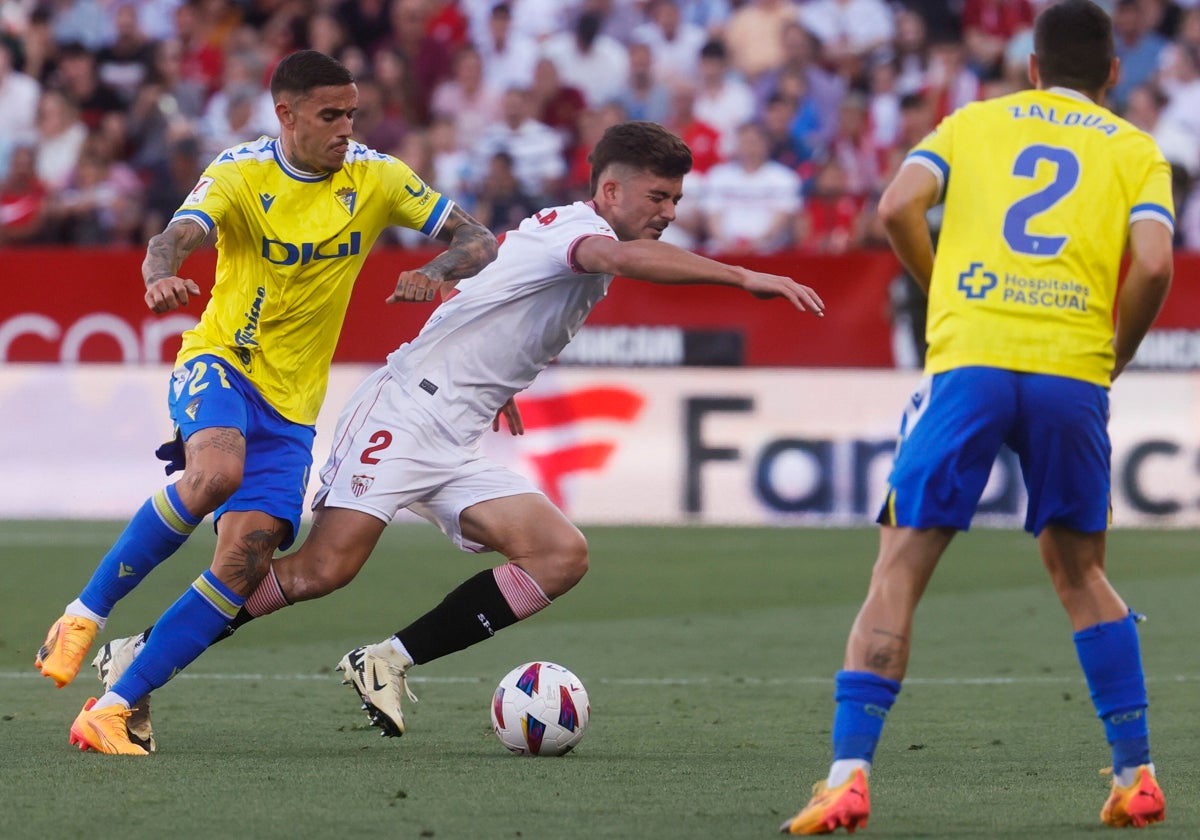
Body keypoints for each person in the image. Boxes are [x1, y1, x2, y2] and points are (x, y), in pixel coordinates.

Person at [73, 120, 825, 755]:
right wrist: (743, 277)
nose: (668, 211)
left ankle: (387, 660)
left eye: (676, 199)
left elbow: (498, 308)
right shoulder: (584, 231)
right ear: (610, 192)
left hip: (456, 429)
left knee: (560, 555)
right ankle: (141, 652)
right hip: (404, 415)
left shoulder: (577, 241)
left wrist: (503, 390)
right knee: (319, 571)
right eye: (658, 197)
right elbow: (621, 257)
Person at [779, 1, 1174, 833]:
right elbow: (1152, 262)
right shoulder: (1136, 150)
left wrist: (942, 289)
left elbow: (892, 207)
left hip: (971, 363)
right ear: (1111, 74)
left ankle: (848, 776)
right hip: (1072, 370)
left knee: (900, 567)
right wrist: (1117, 350)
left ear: (1030, 67)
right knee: (1081, 575)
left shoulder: (973, 122)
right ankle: (1135, 774)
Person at [37, 49, 498, 753]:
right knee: (215, 473)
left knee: (244, 560)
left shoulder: (376, 177)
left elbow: (477, 238)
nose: (346, 127)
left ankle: (114, 705)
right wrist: (161, 274)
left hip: (292, 410)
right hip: (221, 362)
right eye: (330, 114)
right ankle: (82, 615)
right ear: (286, 115)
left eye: (352, 112)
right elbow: (174, 236)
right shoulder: (242, 172)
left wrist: (435, 270)